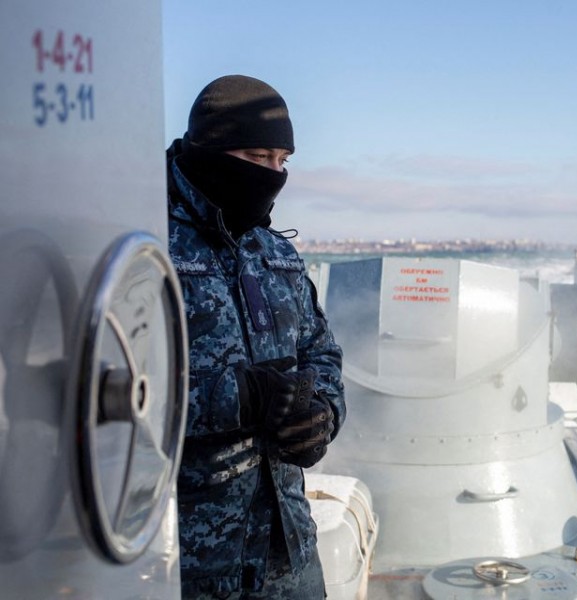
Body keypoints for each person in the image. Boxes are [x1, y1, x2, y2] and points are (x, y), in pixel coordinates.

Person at [166, 75, 345, 599]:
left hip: (287, 552)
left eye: (281, 161)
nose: (271, 175)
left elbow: (321, 350)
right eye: (257, 155)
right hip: (186, 564)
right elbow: (102, 392)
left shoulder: (275, 251)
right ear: (209, 149)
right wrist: (236, 399)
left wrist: (323, 415)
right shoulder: (145, 243)